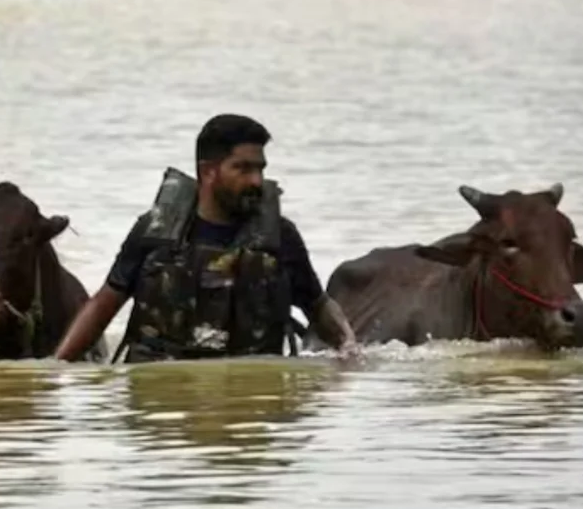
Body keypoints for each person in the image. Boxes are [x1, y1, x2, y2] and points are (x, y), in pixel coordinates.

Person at [54, 114, 359, 363]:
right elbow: (104, 304)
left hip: (250, 398)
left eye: (260, 169)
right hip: (164, 406)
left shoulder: (281, 237)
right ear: (208, 172)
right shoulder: (154, 233)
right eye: (242, 168)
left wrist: (349, 351)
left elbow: (318, 307)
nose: (256, 180)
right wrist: (58, 366)